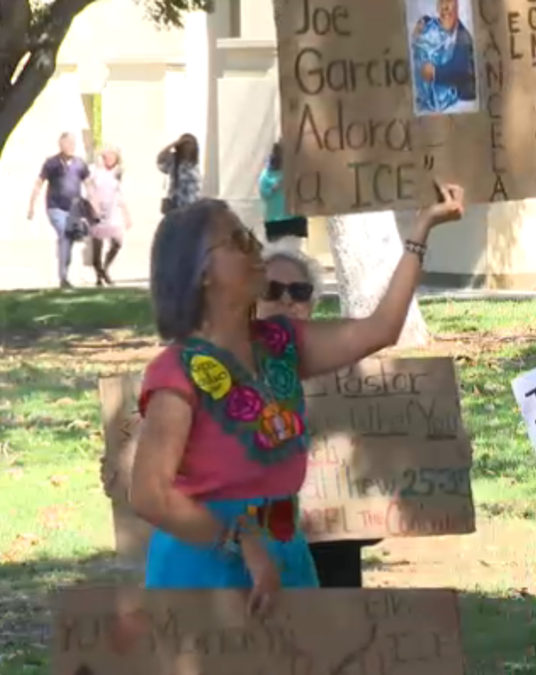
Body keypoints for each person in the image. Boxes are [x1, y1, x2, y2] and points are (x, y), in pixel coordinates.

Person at [127, 184, 466, 613]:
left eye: (251, 238)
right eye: (237, 241)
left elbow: (381, 328)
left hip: (284, 556)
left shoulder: (280, 345)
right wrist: (239, 538)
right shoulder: (176, 372)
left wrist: (422, 229)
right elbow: (149, 494)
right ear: (202, 272)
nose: (254, 249)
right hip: (202, 570)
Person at [254, 243, 382, 588]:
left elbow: (374, 512)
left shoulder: (347, 375)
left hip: (333, 565)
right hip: (252, 563)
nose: (286, 301)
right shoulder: (221, 372)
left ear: (313, 302)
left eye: (299, 291)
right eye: (271, 290)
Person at [28, 132, 90, 289]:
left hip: (74, 210)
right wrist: (31, 205)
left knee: (67, 240)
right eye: (67, 144)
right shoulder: (52, 163)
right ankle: (63, 277)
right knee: (64, 234)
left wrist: (93, 206)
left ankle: (64, 274)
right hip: (55, 207)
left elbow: (89, 184)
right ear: (61, 145)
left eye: (72, 144)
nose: (70, 147)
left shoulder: (80, 164)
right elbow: (39, 183)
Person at [412, 0, 477, 114]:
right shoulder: (435, 28)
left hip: (460, 104)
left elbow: (460, 69)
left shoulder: (464, 39)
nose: (445, 7)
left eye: (449, 1)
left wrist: (434, 72)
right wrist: (422, 21)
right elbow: (430, 20)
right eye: (442, 2)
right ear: (437, 7)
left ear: (457, 6)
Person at [88, 144, 132, 286]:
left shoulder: (118, 173)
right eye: (108, 155)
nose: (110, 158)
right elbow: (89, 187)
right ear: (103, 156)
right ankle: (99, 275)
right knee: (97, 246)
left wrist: (127, 215)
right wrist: (92, 203)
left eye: (114, 156)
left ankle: (105, 268)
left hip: (112, 212)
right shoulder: (95, 170)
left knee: (117, 242)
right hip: (97, 211)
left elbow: (120, 194)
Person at [259, 142, 309, 243]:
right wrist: (275, 186)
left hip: (295, 218)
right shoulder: (266, 176)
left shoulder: (293, 171)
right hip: (276, 221)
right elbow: (264, 194)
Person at [157, 133, 202, 214]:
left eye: (191, 145)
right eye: (185, 145)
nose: (188, 148)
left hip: (192, 209)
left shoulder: (194, 165)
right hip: (177, 208)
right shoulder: (174, 161)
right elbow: (160, 159)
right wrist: (175, 143)